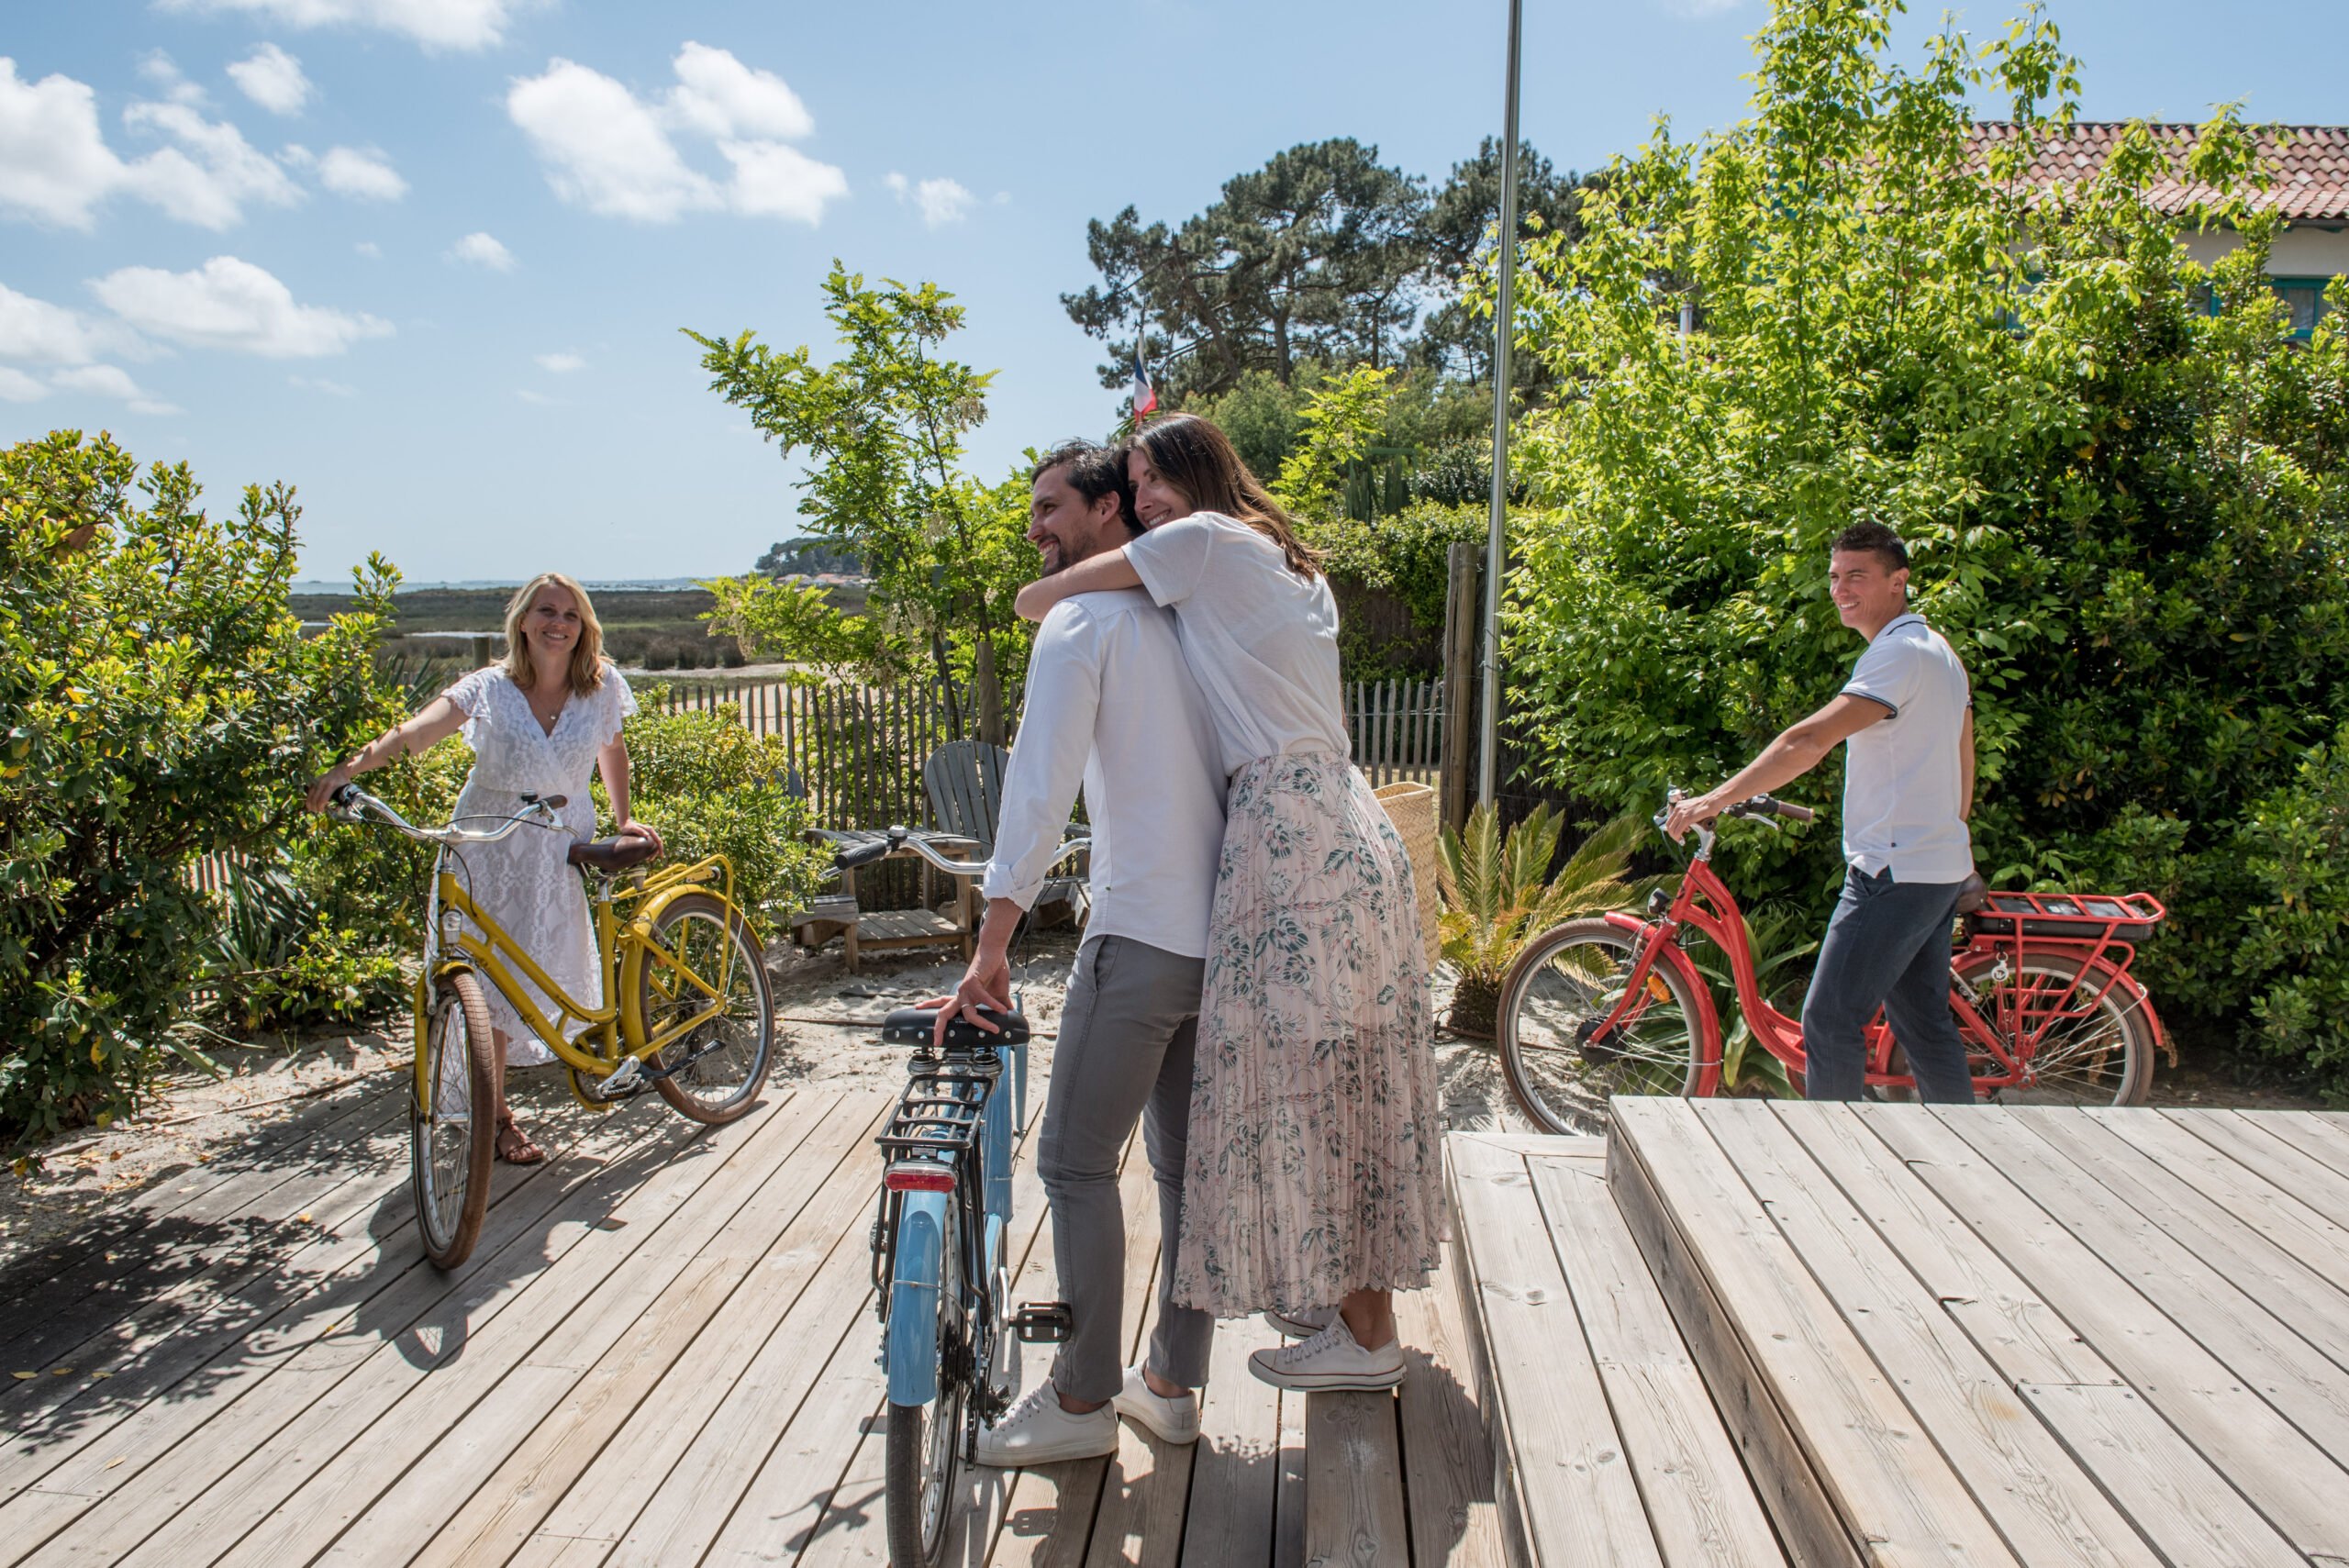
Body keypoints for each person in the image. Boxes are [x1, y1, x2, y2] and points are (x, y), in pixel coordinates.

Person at [1012, 413, 1446, 1395]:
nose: (1144, 501)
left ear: (1195, 476)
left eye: (1152, 479)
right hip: (1341, 816)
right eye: (1131, 482)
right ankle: (1353, 1319)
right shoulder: (1289, 564)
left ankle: (1359, 1334)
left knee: (1309, 1096)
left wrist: (1036, 591)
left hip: (1290, 834)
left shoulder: (1202, 542)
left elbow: (1078, 585)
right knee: (1353, 1083)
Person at [928, 439, 1230, 1464]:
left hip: (1140, 935)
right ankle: (1172, 1385)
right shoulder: (1195, 619)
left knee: (1070, 1160)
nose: (1037, 530)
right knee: (1184, 1168)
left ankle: (1082, 1398)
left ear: (1111, 510)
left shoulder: (1079, 619)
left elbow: (1037, 788)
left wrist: (992, 943)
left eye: (1050, 507)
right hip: (1218, 940)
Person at [306, 572, 662, 1162]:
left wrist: (626, 818)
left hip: (556, 845)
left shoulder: (600, 686)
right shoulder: (487, 688)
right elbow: (417, 731)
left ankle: (578, 1060)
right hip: (486, 846)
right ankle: (498, 1118)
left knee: (533, 975)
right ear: (522, 620)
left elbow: (611, 749)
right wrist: (349, 770)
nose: (559, 623)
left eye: (571, 615)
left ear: (585, 626)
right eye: (546, 611)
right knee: (485, 979)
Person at [1663, 521, 1976, 1103]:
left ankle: (1837, 1164)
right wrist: (1954, 844)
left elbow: (1804, 744)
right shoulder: (1939, 652)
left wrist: (1715, 800)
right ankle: (1961, 1157)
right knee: (1925, 1028)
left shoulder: (1897, 655)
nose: (1840, 588)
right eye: (1835, 576)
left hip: (1891, 871)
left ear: (1898, 581)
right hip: (1933, 868)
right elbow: (1964, 758)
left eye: (1857, 575)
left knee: (1830, 1020)